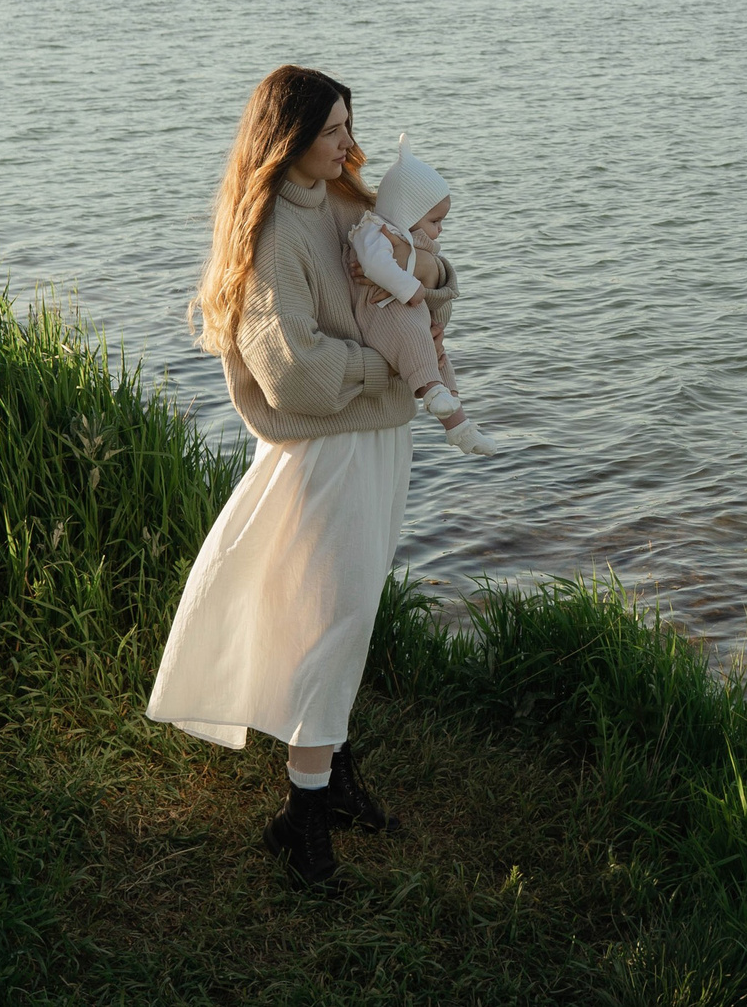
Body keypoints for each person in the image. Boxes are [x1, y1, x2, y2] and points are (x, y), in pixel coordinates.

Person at [144, 65, 456, 890]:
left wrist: (428, 276)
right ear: (288, 140)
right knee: (328, 625)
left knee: (349, 614)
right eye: (332, 132)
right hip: (325, 457)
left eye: (351, 126)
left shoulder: (346, 203)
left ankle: (334, 779)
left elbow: (423, 289)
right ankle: (301, 822)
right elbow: (296, 375)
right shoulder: (273, 236)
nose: (350, 145)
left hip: (378, 442)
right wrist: (390, 369)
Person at [348, 133, 497, 456]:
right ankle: (433, 394)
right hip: (381, 311)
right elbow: (374, 264)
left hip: (402, 306)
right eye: (435, 221)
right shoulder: (374, 230)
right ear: (407, 213)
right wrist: (411, 288)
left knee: (439, 355)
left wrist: (421, 274)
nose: (440, 229)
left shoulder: (406, 239)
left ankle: (458, 423)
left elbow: (435, 288)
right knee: (416, 336)